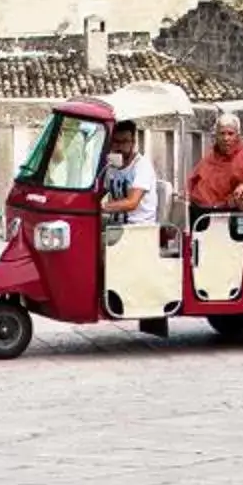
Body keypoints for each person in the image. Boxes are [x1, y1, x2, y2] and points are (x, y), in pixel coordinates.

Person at [100, 121, 168, 335]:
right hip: (117, 226)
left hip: (137, 230)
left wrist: (102, 207)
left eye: (124, 142)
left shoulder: (142, 166)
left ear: (133, 142)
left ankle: (110, 297)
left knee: (95, 247)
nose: (119, 147)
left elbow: (132, 202)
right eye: (116, 142)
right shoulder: (111, 168)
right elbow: (97, 190)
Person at [187, 113, 243, 214]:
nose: (226, 138)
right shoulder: (211, 156)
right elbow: (193, 181)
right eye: (222, 133)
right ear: (216, 135)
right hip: (200, 211)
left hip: (228, 214)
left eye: (230, 134)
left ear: (238, 135)